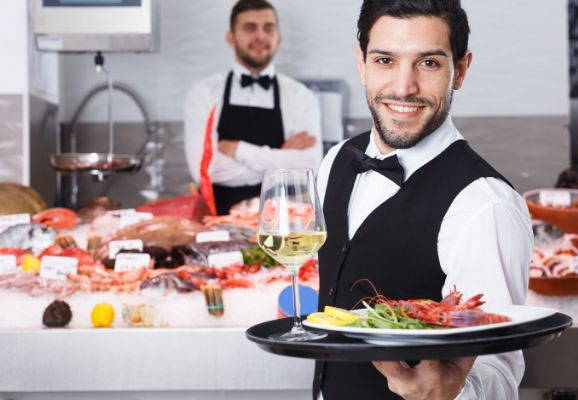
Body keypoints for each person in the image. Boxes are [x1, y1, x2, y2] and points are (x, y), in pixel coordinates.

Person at [314, 1, 533, 399]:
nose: (403, 87)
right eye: (384, 60)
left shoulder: (486, 204)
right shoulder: (336, 160)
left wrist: (452, 394)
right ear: (361, 63)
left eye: (428, 64)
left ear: (460, 70)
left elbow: (500, 369)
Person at [184, 0, 323, 215]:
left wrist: (237, 149)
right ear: (231, 37)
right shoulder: (203, 94)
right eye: (250, 28)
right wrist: (281, 160)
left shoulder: (300, 96)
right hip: (217, 223)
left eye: (268, 28)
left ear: (279, 38)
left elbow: (310, 167)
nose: (260, 36)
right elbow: (205, 171)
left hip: (284, 224)